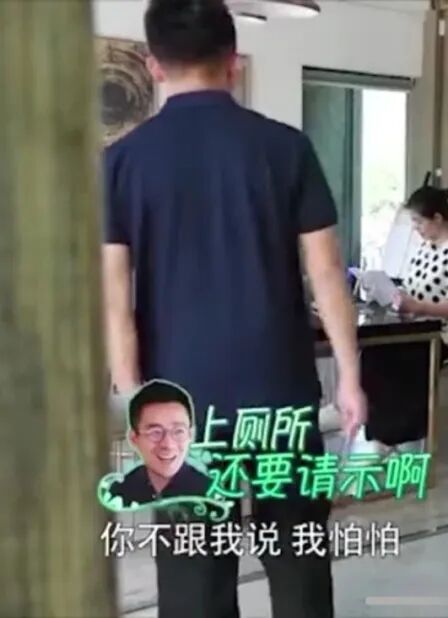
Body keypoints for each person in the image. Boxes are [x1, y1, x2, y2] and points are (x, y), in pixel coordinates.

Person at [101, 0, 366, 615]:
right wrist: (350, 377)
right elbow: (327, 273)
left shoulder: (121, 162)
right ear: (234, 62)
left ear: (154, 65)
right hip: (280, 395)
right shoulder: (286, 148)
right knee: (298, 558)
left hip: (179, 409)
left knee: (193, 576)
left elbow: (114, 300)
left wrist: (133, 396)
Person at [395, 183, 448, 360]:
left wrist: (421, 308)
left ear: (437, 218)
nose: (415, 227)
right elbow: (409, 286)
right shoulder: (425, 248)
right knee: (377, 352)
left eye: (419, 222)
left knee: (390, 357)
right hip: (420, 330)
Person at [109, 379, 210, 508]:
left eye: (178, 431)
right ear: (133, 438)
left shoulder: (211, 495)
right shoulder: (116, 495)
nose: (168, 444)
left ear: (191, 435)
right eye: (155, 432)